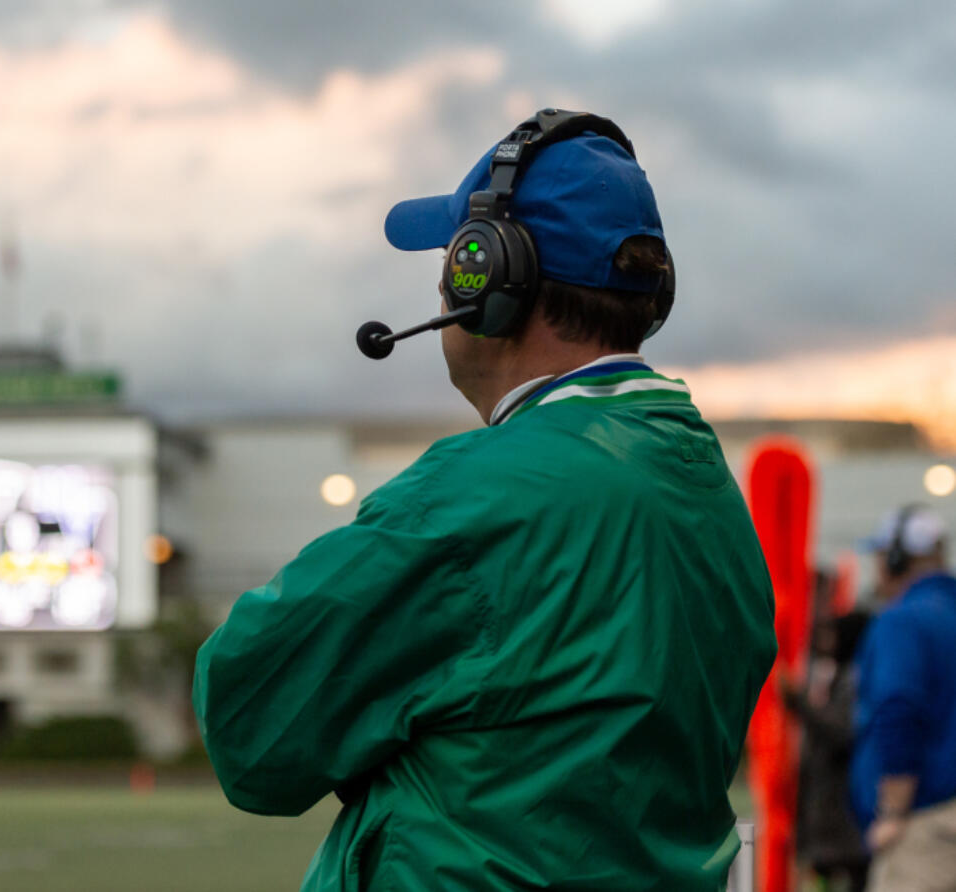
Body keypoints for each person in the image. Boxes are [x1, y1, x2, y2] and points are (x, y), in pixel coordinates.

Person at [193, 108, 777, 890]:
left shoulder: (478, 494)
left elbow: (249, 722)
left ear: (488, 278)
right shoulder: (704, 483)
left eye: (451, 254)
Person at [851, 504, 956, 892]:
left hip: (925, 824)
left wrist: (893, 811)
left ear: (897, 559)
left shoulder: (904, 620)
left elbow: (899, 708)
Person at [781, 606, 871, 892]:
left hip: (844, 815)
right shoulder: (835, 676)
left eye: (832, 634)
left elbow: (841, 731)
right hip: (828, 817)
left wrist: (801, 704)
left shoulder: (854, 680)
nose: (825, 643)